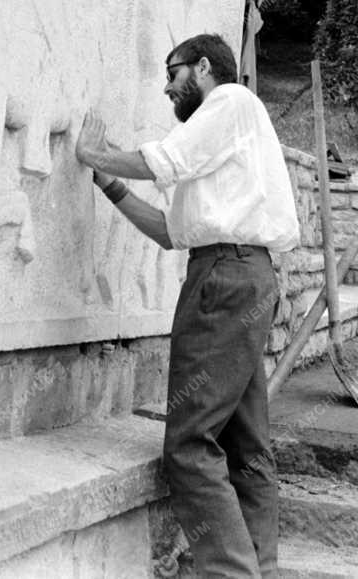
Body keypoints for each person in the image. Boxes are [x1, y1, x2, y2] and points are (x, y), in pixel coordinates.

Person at [75, 33, 300, 577]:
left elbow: (167, 160)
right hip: (240, 275)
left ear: (203, 67)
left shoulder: (231, 102)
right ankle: (259, 568)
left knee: (190, 445)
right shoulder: (224, 145)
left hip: (225, 281)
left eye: (173, 73)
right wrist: (109, 183)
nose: (166, 87)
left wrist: (94, 152)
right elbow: (172, 233)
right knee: (246, 446)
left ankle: (231, 574)